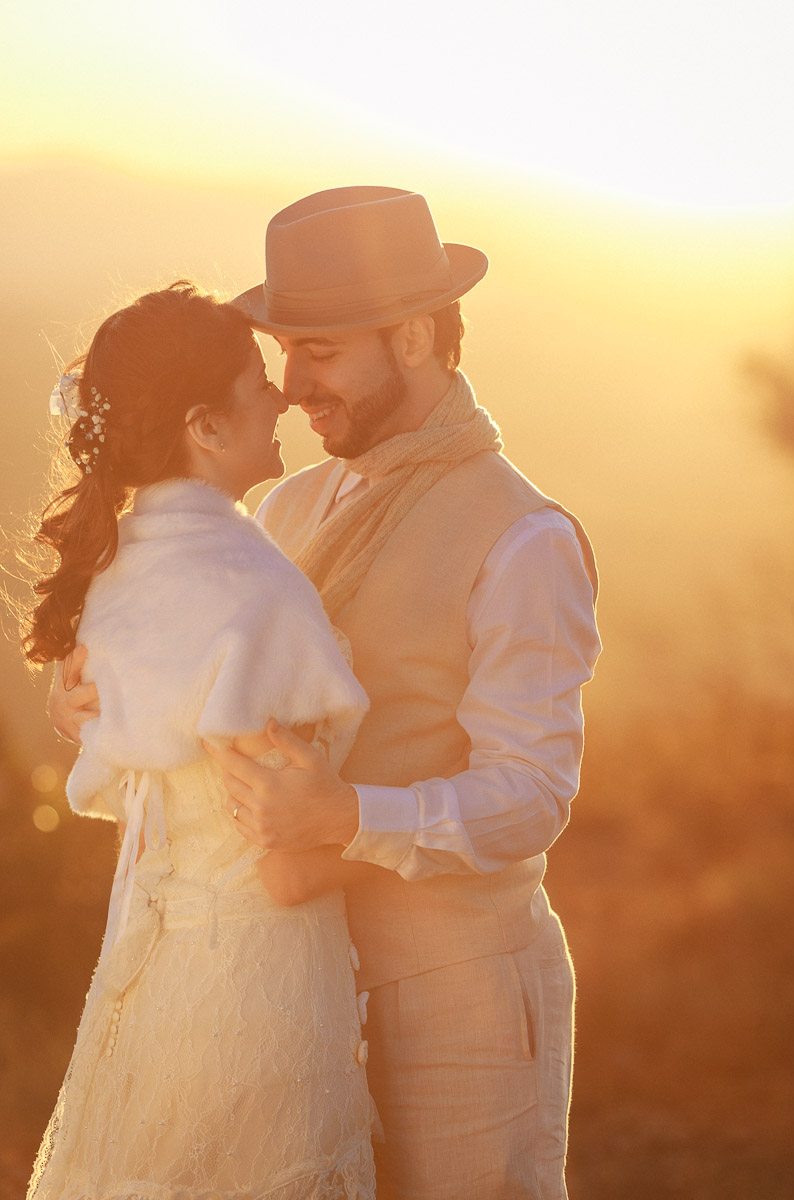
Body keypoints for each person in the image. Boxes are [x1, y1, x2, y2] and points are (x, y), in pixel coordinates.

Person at [52, 187, 602, 1200]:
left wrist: (347, 815)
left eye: (320, 351)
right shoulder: (282, 506)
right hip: (294, 995)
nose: (292, 385)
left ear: (412, 337)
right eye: (284, 351)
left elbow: (530, 798)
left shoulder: (525, 539)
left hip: (458, 991)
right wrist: (103, 710)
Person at [25, 282, 376, 1200]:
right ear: (206, 425)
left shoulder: (115, 574)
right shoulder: (255, 593)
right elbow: (290, 864)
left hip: (146, 980)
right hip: (258, 989)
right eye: (257, 381)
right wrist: (434, 856)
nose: (282, 397)